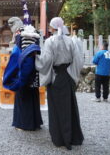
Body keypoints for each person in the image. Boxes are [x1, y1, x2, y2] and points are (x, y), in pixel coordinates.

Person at [35, 17, 84, 150]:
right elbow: (78, 60)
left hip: (56, 78)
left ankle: (60, 138)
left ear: (52, 28)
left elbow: (46, 61)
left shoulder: (50, 41)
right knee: (70, 106)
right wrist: (73, 75)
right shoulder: (71, 41)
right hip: (68, 76)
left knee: (57, 108)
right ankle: (74, 137)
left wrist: (36, 59)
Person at [3, 24, 43, 131]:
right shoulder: (34, 48)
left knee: (24, 102)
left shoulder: (22, 49)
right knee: (33, 100)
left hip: (23, 79)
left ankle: (24, 124)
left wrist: (17, 81)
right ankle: (35, 122)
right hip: (33, 80)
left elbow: (22, 66)